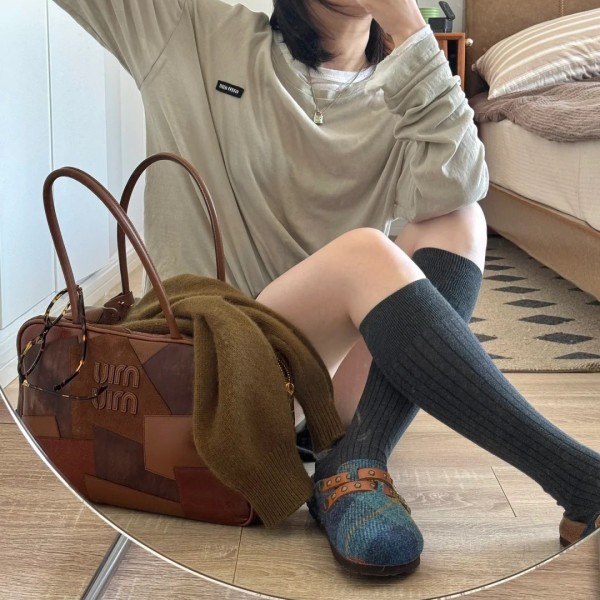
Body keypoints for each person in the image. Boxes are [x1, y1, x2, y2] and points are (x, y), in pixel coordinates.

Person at [53, 0, 599, 577]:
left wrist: (410, 28)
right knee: (365, 254)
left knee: (460, 218)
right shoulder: (186, 29)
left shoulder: (405, 84)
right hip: (205, 371)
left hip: (315, 391)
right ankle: (579, 478)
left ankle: (353, 456)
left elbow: (461, 185)